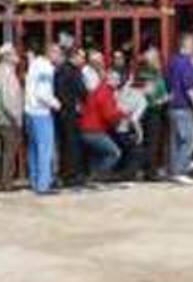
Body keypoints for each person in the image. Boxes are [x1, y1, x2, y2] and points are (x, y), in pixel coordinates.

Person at [79, 53, 127, 179]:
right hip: (93, 131)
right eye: (115, 78)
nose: (117, 82)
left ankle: (92, 175)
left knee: (98, 154)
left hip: (88, 129)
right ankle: (96, 176)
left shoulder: (101, 89)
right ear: (108, 78)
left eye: (118, 79)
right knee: (115, 153)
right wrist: (123, 112)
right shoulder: (105, 92)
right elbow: (109, 115)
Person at [24, 43, 62, 195]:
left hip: (29, 111)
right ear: (50, 53)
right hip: (41, 113)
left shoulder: (34, 65)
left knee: (33, 149)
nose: (59, 56)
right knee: (45, 150)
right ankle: (43, 185)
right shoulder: (46, 68)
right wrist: (56, 103)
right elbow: (42, 93)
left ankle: (35, 181)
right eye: (57, 53)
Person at [165, 34, 193, 185]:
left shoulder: (172, 61)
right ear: (187, 45)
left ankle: (174, 169)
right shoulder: (186, 63)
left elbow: (167, 81)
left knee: (176, 141)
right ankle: (180, 170)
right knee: (189, 140)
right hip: (184, 105)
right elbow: (189, 87)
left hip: (173, 105)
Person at [0, 43, 23, 191]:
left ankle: (5, 180)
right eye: (13, 53)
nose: (16, 55)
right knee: (9, 150)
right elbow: (8, 98)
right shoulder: (6, 72)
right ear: (6, 57)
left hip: (3, 117)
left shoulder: (1, 71)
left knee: (7, 150)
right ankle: (6, 182)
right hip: (7, 118)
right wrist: (16, 116)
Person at [54, 46, 88, 187]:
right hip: (70, 113)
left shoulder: (62, 70)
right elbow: (80, 91)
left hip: (64, 112)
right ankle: (71, 175)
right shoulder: (71, 71)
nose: (83, 60)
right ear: (74, 57)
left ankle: (67, 174)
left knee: (66, 145)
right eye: (81, 57)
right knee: (71, 144)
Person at [136, 48, 169, 182]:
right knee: (152, 142)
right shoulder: (147, 74)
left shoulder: (153, 72)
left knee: (153, 141)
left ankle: (151, 169)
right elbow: (148, 93)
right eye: (156, 58)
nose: (159, 60)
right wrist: (163, 99)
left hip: (155, 109)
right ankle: (150, 171)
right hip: (151, 110)